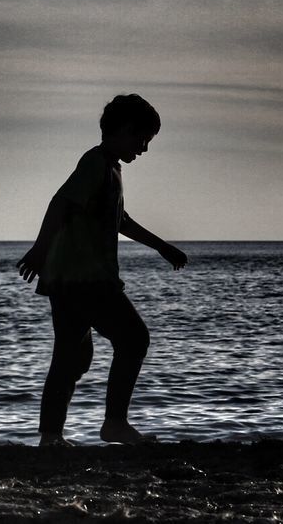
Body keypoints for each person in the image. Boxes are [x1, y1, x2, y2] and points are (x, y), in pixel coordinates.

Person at [17, 94, 187, 446]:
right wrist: (39, 249)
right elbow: (61, 203)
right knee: (134, 338)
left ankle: (50, 437)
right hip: (86, 278)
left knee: (72, 357)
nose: (144, 149)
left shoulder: (111, 169)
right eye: (143, 140)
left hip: (69, 279)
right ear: (125, 130)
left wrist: (161, 246)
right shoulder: (95, 163)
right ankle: (115, 424)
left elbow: (119, 219)